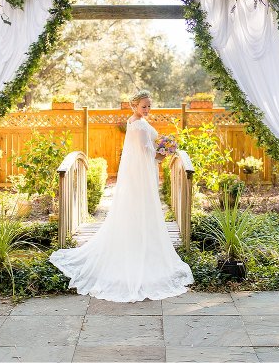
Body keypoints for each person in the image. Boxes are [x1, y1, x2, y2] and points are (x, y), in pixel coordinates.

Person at [49, 90, 194, 302]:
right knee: (143, 209)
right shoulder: (139, 125)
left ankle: (139, 244)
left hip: (139, 174)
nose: (147, 109)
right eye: (144, 106)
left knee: (136, 211)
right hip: (143, 174)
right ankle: (140, 250)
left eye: (149, 106)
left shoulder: (133, 121)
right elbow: (149, 155)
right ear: (134, 106)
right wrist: (163, 153)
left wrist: (164, 146)